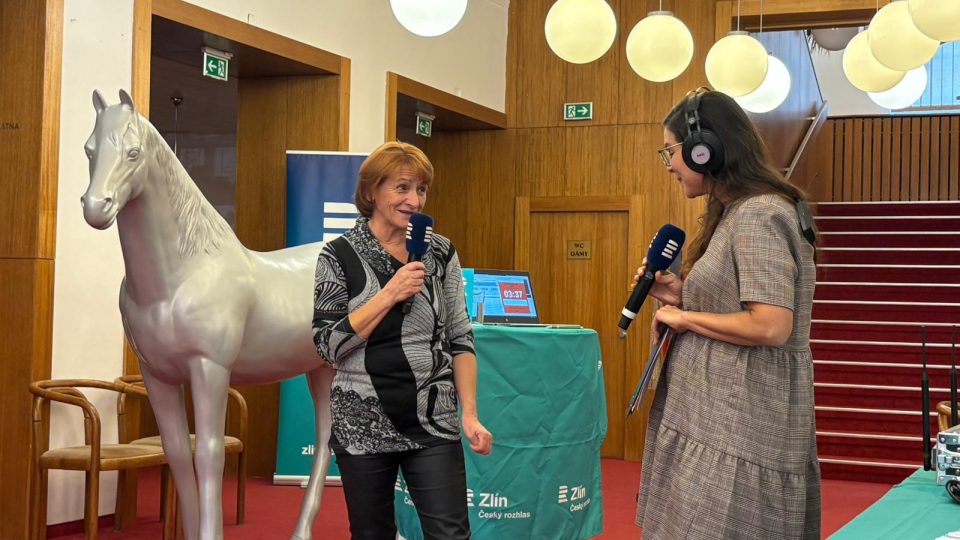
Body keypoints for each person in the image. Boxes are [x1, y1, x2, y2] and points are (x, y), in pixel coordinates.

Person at [634, 89, 820, 539]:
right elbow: (737, 307)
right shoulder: (737, 213)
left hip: (739, 423)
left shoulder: (759, 215)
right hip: (715, 418)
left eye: (671, 152)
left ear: (706, 150)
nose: (670, 165)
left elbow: (771, 325)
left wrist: (686, 319)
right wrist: (678, 295)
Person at [312, 141, 493, 539]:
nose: (414, 199)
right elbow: (327, 346)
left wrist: (470, 413)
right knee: (372, 532)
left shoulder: (440, 252)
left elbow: (460, 337)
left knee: (450, 533)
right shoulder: (337, 255)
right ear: (371, 191)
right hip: (361, 421)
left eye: (422, 189)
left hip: (432, 417)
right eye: (402, 187)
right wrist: (389, 293)